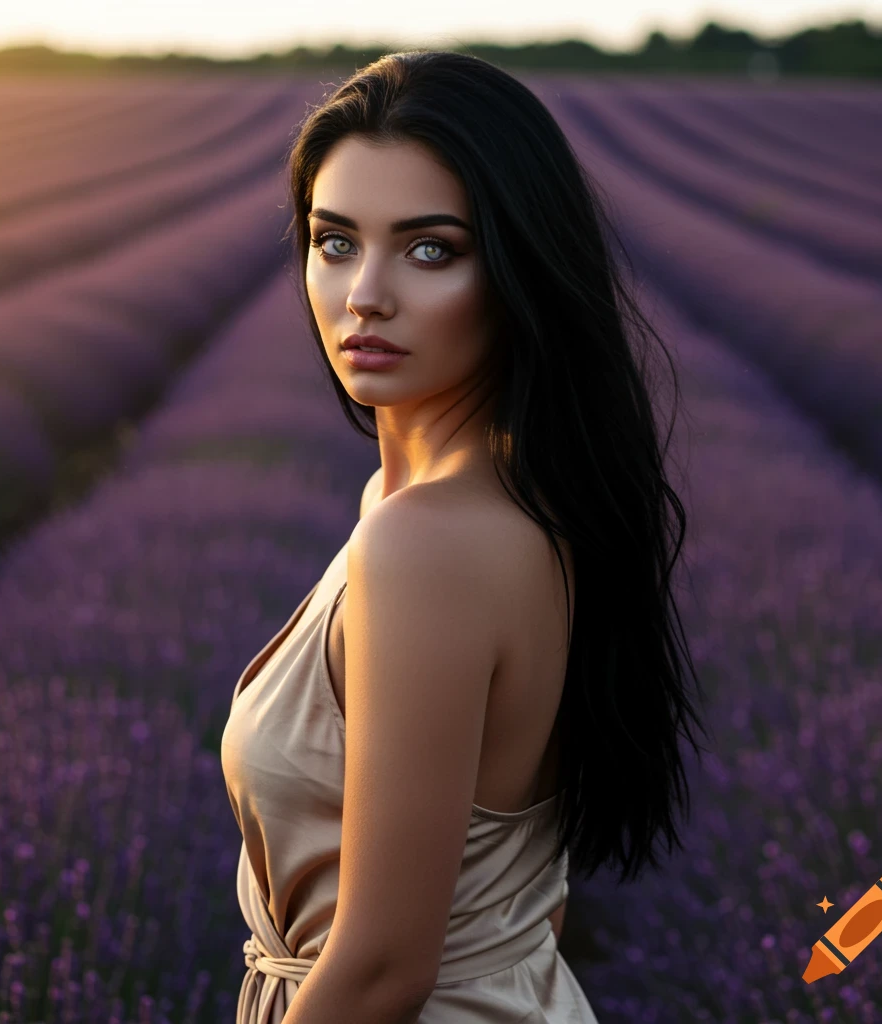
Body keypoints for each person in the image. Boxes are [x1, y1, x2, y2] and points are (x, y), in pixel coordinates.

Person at [221, 48, 712, 1023]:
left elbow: (379, 973)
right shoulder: (518, 501)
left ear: (519, 268)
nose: (365, 292)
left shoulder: (427, 544)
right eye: (334, 241)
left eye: (429, 247)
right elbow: (532, 894)